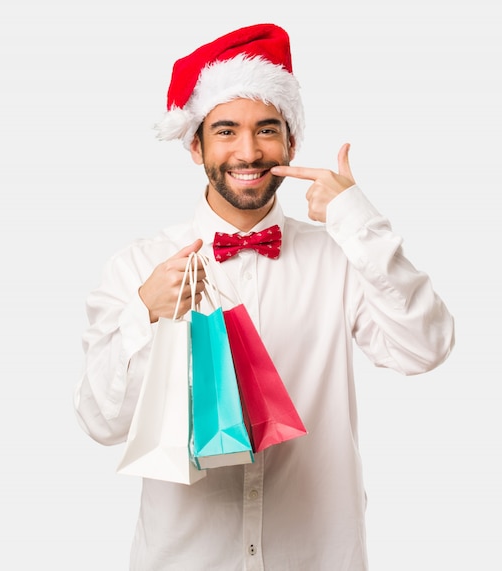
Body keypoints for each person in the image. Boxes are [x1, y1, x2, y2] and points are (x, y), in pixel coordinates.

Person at [74, 22, 455, 571]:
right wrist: (145, 313)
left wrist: (359, 223)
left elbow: (426, 348)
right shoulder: (139, 265)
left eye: (266, 130)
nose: (248, 151)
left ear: (291, 142)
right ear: (194, 145)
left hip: (317, 557)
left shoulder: (340, 257)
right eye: (225, 131)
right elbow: (101, 424)